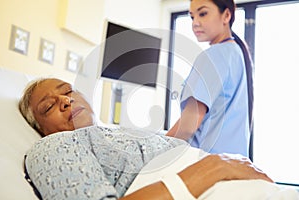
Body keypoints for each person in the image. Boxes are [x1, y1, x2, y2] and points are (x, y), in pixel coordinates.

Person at [19, 78, 273, 200]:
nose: (66, 101)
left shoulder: (119, 133)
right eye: (49, 106)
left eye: (67, 92)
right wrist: (216, 167)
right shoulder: (52, 147)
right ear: (40, 127)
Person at [166, 0, 254, 157]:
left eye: (203, 14)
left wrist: (154, 149)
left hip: (206, 165)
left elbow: (188, 126)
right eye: (192, 17)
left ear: (226, 15)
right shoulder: (236, 53)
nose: (195, 23)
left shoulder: (214, 55)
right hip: (232, 166)